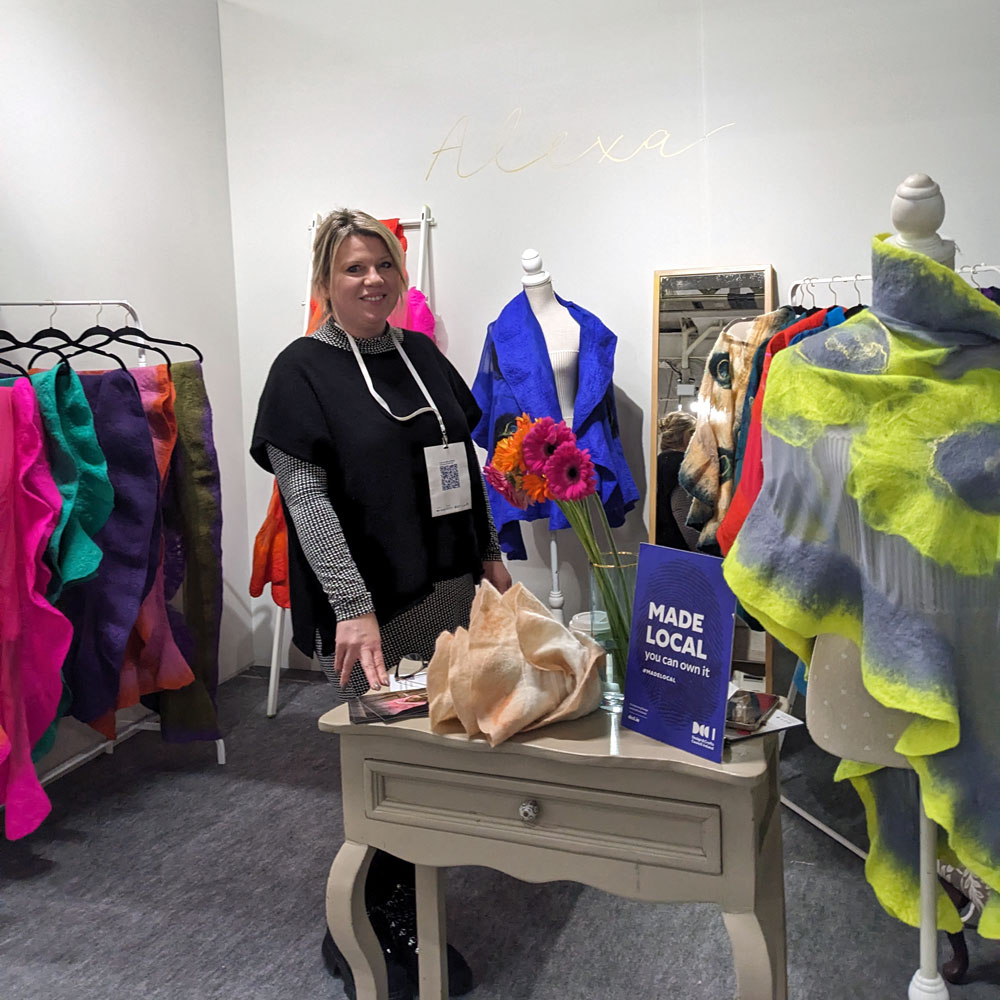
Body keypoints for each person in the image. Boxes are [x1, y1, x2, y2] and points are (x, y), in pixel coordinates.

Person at [251, 209, 511, 1000]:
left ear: (401, 274)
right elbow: (305, 498)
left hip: (448, 587)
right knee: (389, 765)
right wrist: (352, 605)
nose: (372, 280)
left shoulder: (421, 354)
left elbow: (459, 462)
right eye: (353, 268)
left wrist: (488, 552)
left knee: (438, 755)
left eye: (383, 266)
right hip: (375, 607)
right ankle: (364, 921)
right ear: (325, 282)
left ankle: (405, 899)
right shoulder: (299, 370)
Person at [655, 410, 699, 550]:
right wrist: (702, 551)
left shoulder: (656, 463)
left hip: (659, 546)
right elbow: (682, 511)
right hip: (681, 550)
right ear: (689, 435)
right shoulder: (681, 465)